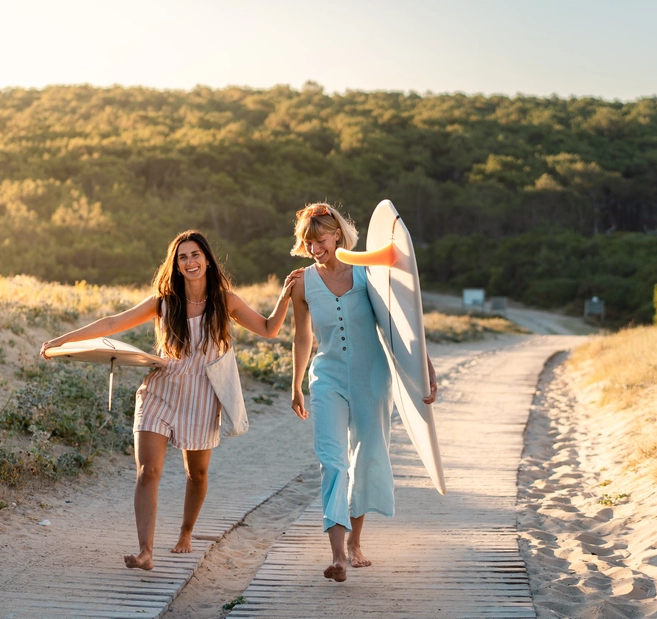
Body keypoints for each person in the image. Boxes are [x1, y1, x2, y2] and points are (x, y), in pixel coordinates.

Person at [40, 230, 302, 571]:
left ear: (207, 259)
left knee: (198, 473)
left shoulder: (225, 301)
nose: (190, 262)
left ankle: (186, 531)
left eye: (195, 255)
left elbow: (269, 329)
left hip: (202, 395)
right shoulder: (163, 302)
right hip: (160, 391)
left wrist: (283, 297)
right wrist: (62, 340)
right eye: (183, 257)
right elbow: (112, 322)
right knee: (148, 471)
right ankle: (145, 551)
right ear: (175, 265)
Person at [288, 203, 437, 582]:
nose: (313, 248)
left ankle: (356, 542)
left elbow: (399, 324)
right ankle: (338, 556)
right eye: (307, 242)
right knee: (333, 462)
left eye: (319, 239)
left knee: (367, 456)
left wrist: (425, 366)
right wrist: (296, 383)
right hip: (328, 380)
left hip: (373, 378)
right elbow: (302, 335)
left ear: (337, 233)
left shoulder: (367, 272)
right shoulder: (302, 282)